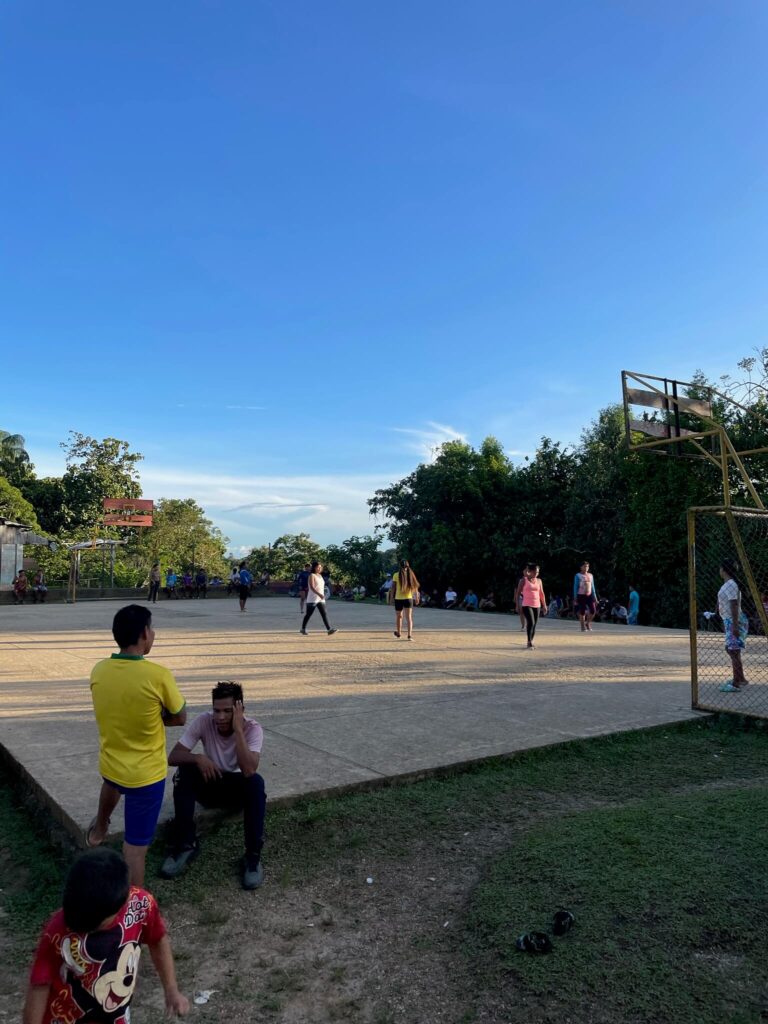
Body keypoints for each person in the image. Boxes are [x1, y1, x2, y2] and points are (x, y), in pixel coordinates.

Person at [23, 847, 189, 1024]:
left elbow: (158, 939)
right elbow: (40, 985)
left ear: (122, 904)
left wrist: (171, 989)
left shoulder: (141, 906)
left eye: (94, 927)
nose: (83, 928)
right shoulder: (57, 930)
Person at [86, 605, 187, 886]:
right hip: (146, 775)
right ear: (144, 633)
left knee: (112, 785)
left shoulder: (99, 670)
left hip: (112, 764)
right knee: (134, 849)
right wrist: (158, 716)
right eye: (152, 629)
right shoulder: (158, 675)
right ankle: (135, 913)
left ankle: (101, 825)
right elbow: (180, 716)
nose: (153, 634)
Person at [161, 681, 266, 889]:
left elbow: (248, 770)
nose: (220, 717)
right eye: (216, 710)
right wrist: (198, 758)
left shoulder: (252, 729)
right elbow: (173, 756)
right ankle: (186, 844)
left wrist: (238, 730)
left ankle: (252, 857)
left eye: (227, 711)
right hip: (210, 785)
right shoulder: (204, 721)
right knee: (184, 771)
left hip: (237, 790)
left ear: (239, 709)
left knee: (256, 783)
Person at [717, 559, 750, 692]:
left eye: (720, 568)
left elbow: (734, 604)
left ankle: (736, 683)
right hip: (730, 620)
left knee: (733, 650)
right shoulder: (728, 584)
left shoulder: (730, 584)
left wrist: (735, 625)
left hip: (733, 620)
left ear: (724, 570)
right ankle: (740, 678)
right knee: (732, 649)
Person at [300, 561, 338, 635]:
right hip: (312, 598)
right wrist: (319, 594)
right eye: (318, 567)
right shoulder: (312, 575)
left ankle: (329, 629)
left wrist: (323, 593)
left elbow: (321, 586)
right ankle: (303, 629)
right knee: (308, 614)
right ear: (314, 567)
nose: (319, 568)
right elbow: (312, 587)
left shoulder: (320, 576)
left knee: (324, 614)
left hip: (320, 598)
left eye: (320, 567)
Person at [389, 559, 420, 640]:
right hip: (408, 599)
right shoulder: (410, 574)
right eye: (405, 567)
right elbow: (415, 587)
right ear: (407, 566)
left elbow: (393, 587)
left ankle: (399, 633)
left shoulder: (396, 574)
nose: (404, 568)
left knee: (399, 616)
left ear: (400, 566)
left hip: (399, 598)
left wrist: (392, 598)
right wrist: (416, 597)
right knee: (408, 617)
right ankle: (409, 635)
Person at [521, 563, 547, 649]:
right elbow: (517, 593)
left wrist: (544, 605)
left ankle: (531, 641)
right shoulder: (524, 580)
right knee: (531, 622)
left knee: (534, 624)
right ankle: (529, 642)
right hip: (526, 604)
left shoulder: (539, 581)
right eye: (535, 572)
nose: (536, 574)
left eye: (538, 572)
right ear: (530, 571)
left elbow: (541, 593)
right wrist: (517, 605)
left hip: (537, 605)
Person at [573, 561, 599, 632]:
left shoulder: (591, 575)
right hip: (581, 595)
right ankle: (582, 626)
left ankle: (587, 623)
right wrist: (575, 597)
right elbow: (575, 586)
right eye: (584, 566)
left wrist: (595, 598)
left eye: (587, 566)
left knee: (593, 610)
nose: (586, 568)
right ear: (581, 567)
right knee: (582, 611)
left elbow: (593, 587)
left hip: (589, 595)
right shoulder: (578, 575)